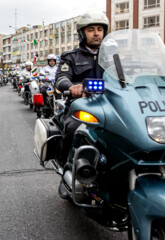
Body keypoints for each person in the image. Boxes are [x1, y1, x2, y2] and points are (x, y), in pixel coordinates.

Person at [54, 10, 109, 198]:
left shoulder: (114, 56)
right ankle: (66, 170)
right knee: (72, 129)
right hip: (81, 107)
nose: (96, 33)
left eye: (100, 29)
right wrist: (72, 87)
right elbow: (61, 78)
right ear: (82, 33)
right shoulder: (71, 57)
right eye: (91, 29)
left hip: (110, 106)